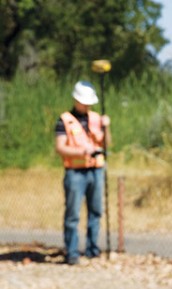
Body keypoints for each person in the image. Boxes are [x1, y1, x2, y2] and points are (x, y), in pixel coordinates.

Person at [55, 81, 111, 265]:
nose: (87, 106)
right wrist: (81, 152)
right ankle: (72, 252)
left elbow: (106, 144)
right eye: (84, 102)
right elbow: (60, 147)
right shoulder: (64, 120)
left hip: (96, 170)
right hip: (75, 173)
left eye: (89, 103)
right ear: (76, 100)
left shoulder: (96, 118)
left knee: (96, 211)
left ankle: (92, 249)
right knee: (73, 214)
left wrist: (106, 127)